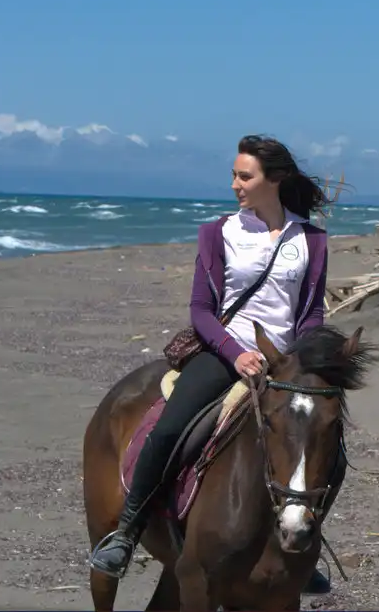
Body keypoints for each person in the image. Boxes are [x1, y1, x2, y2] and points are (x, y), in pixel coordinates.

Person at [89, 134, 335, 594]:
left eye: (245, 176)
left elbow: (312, 312)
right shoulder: (218, 233)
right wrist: (236, 353)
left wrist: (298, 360)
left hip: (286, 362)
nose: (236, 184)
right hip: (227, 354)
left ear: (274, 180)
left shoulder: (312, 240)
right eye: (234, 176)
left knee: (323, 439)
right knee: (169, 428)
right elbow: (202, 310)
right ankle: (127, 530)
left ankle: (305, 540)